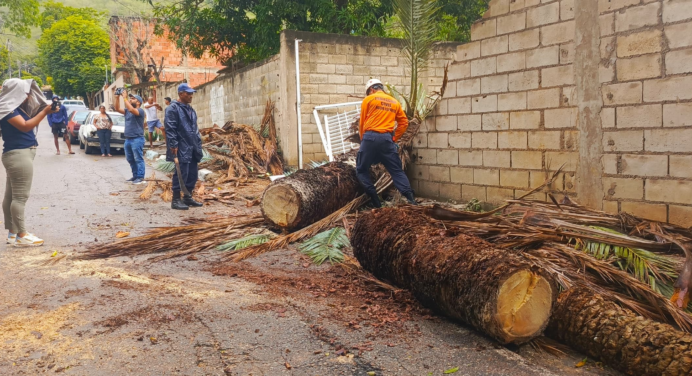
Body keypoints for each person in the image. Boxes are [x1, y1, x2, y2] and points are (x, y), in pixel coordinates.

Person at [0, 78, 57, 246]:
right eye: (25, 92)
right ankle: (22, 235)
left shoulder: (13, 108)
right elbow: (25, 126)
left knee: (11, 196)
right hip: (19, 154)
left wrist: (49, 110)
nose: (27, 95)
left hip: (17, 154)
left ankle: (12, 233)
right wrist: (45, 113)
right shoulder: (8, 110)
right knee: (20, 197)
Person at [356, 78, 417, 208]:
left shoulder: (369, 99)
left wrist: (363, 141)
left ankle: (376, 202)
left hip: (370, 137)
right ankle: (411, 199)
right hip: (386, 139)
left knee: (361, 170)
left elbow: (362, 123)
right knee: (396, 171)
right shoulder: (394, 102)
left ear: (371, 90)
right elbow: (404, 122)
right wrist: (394, 138)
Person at [165, 83, 204, 210]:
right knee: (181, 172)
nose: (191, 95)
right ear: (180, 94)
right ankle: (176, 199)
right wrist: (173, 144)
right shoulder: (173, 109)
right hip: (181, 145)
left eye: (192, 93)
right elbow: (170, 127)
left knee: (192, 173)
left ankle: (187, 197)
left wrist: (198, 143)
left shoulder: (190, 109)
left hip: (192, 146)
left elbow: (195, 128)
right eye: (188, 93)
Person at [114, 90, 146, 184]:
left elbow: (132, 110)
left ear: (138, 102)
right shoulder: (127, 111)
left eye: (133, 98)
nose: (130, 99)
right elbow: (117, 108)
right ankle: (135, 175)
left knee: (138, 158)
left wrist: (124, 98)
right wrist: (117, 97)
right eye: (130, 98)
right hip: (128, 139)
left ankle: (140, 177)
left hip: (137, 138)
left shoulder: (140, 111)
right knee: (130, 159)